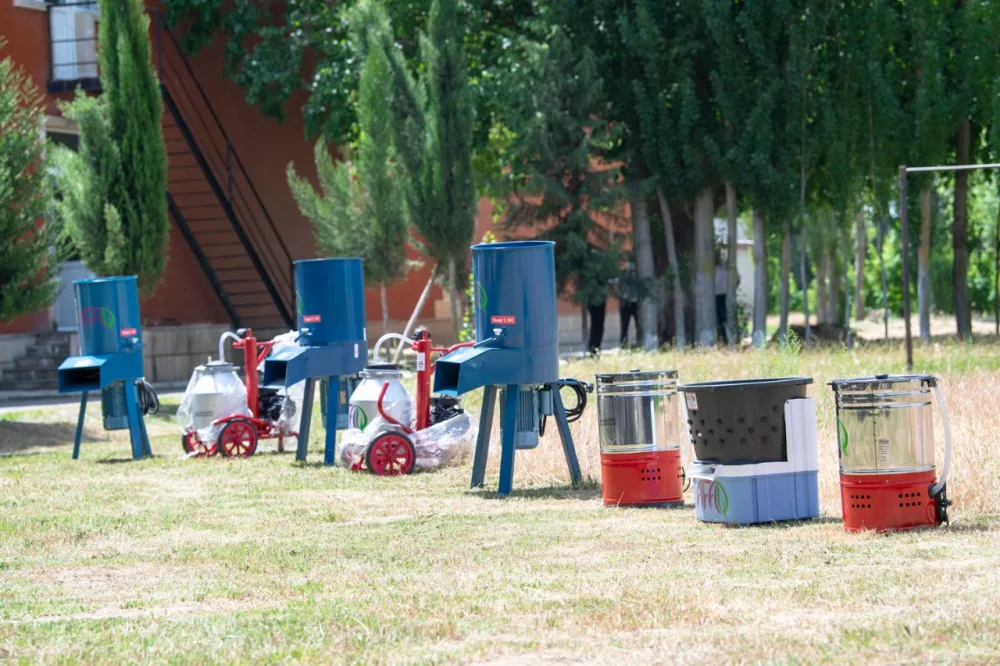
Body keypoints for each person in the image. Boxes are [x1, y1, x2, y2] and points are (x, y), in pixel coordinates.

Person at [616, 261, 639, 348]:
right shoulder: (636, 276)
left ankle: (623, 344)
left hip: (627, 303)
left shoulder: (622, 276)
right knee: (627, 326)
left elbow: (613, 281)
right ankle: (624, 343)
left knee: (625, 326)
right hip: (631, 303)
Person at [715, 248, 729, 345]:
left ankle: (723, 338)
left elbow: (737, 279)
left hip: (722, 296)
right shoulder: (723, 269)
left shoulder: (724, 269)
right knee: (719, 319)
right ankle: (721, 338)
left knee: (723, 319)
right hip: (716, 296)